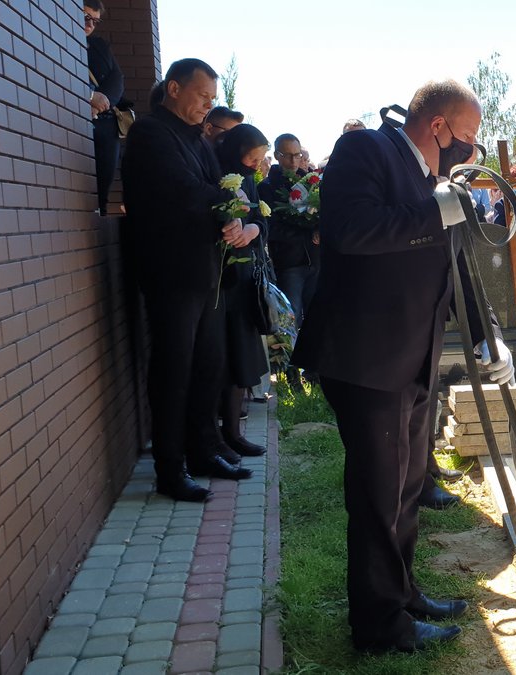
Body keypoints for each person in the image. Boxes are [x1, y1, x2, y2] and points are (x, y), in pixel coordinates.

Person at [290, 79, 512, 654]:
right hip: (366, 358)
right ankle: (379, 625)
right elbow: (351, 230)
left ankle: (402, 592)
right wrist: (432, 210)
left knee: (408, 485)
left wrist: (488, 336)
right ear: (437, 126)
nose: (471, 149)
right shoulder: (366, 150)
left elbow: (456, 266)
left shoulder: (433, 181)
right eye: (467, 136)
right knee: (378, 496)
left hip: (412, 358)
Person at [120, 58, 255, 503]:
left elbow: (220, 188)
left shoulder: (197, 138)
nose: (207, 106)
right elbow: (179, 190)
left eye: (212, 99)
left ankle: (203, 450)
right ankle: (170, 467)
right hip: (171, 272)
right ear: (174, 89)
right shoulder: (150, 133)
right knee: (174, 370)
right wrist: (226, 203)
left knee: (208, 366)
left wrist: (235, 218)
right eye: (202, 96)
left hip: (206, 271)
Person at [213, 124, 272, 462]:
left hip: (244, 276)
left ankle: (234, 432)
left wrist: (252, 229)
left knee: (242, 354)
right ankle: (216, 435)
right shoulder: (216, 171)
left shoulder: (248, 180)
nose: (255, 165)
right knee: (219, 357)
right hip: (219, 279)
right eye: (251, 158)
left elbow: (261, 219)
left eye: (260, 159)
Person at [257, 133, 317, 337]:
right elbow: (270, 228)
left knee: (317, 317)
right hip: (289, 263)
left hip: (315, 260)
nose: (294, 161)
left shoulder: (310, 183)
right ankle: (290, 357)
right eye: (288, 155)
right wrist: (307, 235)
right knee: (290, 320)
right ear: (276, 155)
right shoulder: (266, 188)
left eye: (297, 155)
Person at [84, 0, 123, 216]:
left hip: (105, 121)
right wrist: (89, 96)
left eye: (95, 21)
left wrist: (101, 102)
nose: (90, 25)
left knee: (105, 175)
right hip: (78, 120)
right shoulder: (60, 42)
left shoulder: (99, 46)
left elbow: (117, 79)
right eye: (86, 18)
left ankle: (101, 212)